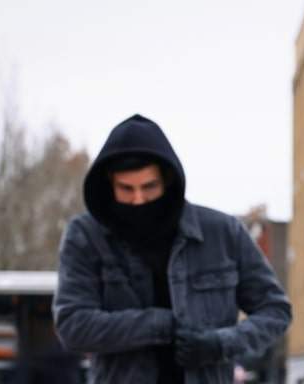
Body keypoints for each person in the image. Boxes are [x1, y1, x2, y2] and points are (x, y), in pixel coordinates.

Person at [52, 114, 291, 383]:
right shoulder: (86, 236)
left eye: (149, 187)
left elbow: (275, 311)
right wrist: (160, 325)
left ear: (167, 181)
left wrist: (219, 344)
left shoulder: (222, 232)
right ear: (109, 184)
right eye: (126, 189)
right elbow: (73, 325)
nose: (138, 199)